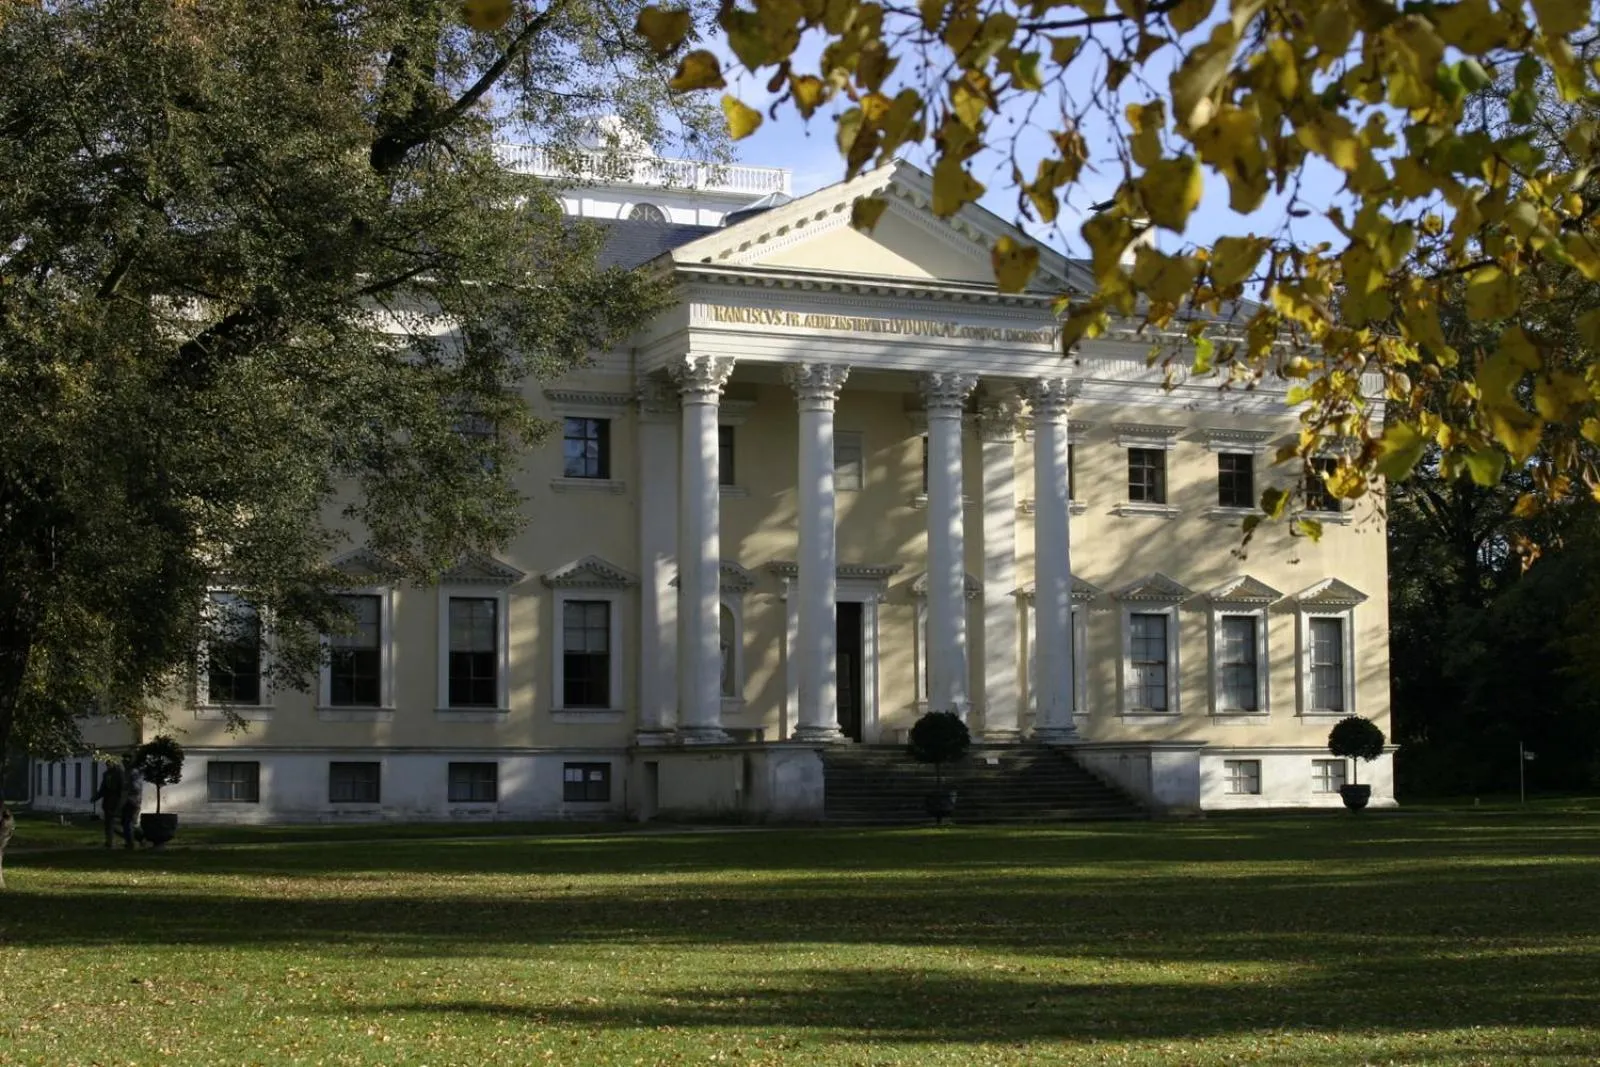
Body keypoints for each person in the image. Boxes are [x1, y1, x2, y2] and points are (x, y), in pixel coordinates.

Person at [90, 757, 127, 848]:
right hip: (107, 802)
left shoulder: (120, 773)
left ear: (114, 763)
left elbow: (122, 789)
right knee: (108, 823)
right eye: (107, 764)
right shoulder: (106, 774)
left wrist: (121, 802)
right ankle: (109, 841)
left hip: (117, 801)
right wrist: (95, 797)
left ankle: (131, 838)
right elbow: (103, 789)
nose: (108, 765)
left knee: (120, 823)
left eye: (109, 763)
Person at [119, 756, 143, 848]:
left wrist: (127, 786)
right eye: (123, 762)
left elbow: (135, 788)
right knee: (126, 822)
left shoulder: (134, 772)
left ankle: (131, 842)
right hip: (128, 800)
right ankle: (137, 839)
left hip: (132, 801)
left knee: (128, 822)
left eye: (126, 762)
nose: (124, 764)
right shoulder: (127, 772)